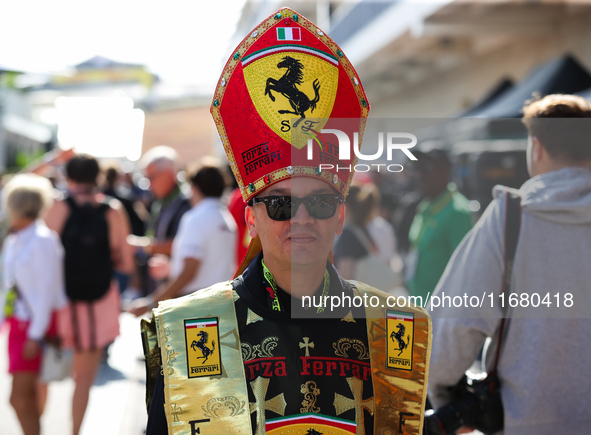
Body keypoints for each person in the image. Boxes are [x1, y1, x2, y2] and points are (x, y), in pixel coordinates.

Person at [141, 8, 431, 435]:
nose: (301, 218)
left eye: (320, 204)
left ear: (340, 217)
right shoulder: (187, 330)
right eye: (279, 205)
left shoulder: (395, 329)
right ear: (251, 219)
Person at [427, 94, 591, 434]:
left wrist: (446, 399)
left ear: (536, 146)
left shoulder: (510, 218)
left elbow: (451, 328)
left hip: (526, 423)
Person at [44, 154, 134, 435]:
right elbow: (127, 263)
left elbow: (44, 260)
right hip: (98, 303)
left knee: (42, 372)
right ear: (97, 177)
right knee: (83, 379)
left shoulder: (57, 207)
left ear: (67, 177)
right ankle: (74, 431)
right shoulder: (112, 209)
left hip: (59, 304)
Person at [1, 174, 67, 435]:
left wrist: (36, 334)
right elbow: (9, 289)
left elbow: (47, 291)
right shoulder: (15, 239)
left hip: (33, 327)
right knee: (26, 397)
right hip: (19, 323)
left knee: (18, 398)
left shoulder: (42, 240)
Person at [128, 165, 237, 316]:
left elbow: (189, 272)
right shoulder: (226, 219)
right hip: (220, 305)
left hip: (195, 307)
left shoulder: (195, 218)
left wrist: (152, 302)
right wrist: (172, 268)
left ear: (195, 188)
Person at [406, 145, 473, 302]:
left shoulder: (457, 211)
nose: (419, 175)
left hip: (440, 314)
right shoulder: (425, 206)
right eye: (416, 168)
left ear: (445, 170)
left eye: (426, 167)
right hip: (416, 306)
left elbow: (465, 272)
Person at [141, 146, 191, 257]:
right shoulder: (159, 201)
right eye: (147, 178)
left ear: (169, 174)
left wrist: (145, 246)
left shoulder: (187, 201)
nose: (149, 184)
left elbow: (184, 243)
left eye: (152, 177)